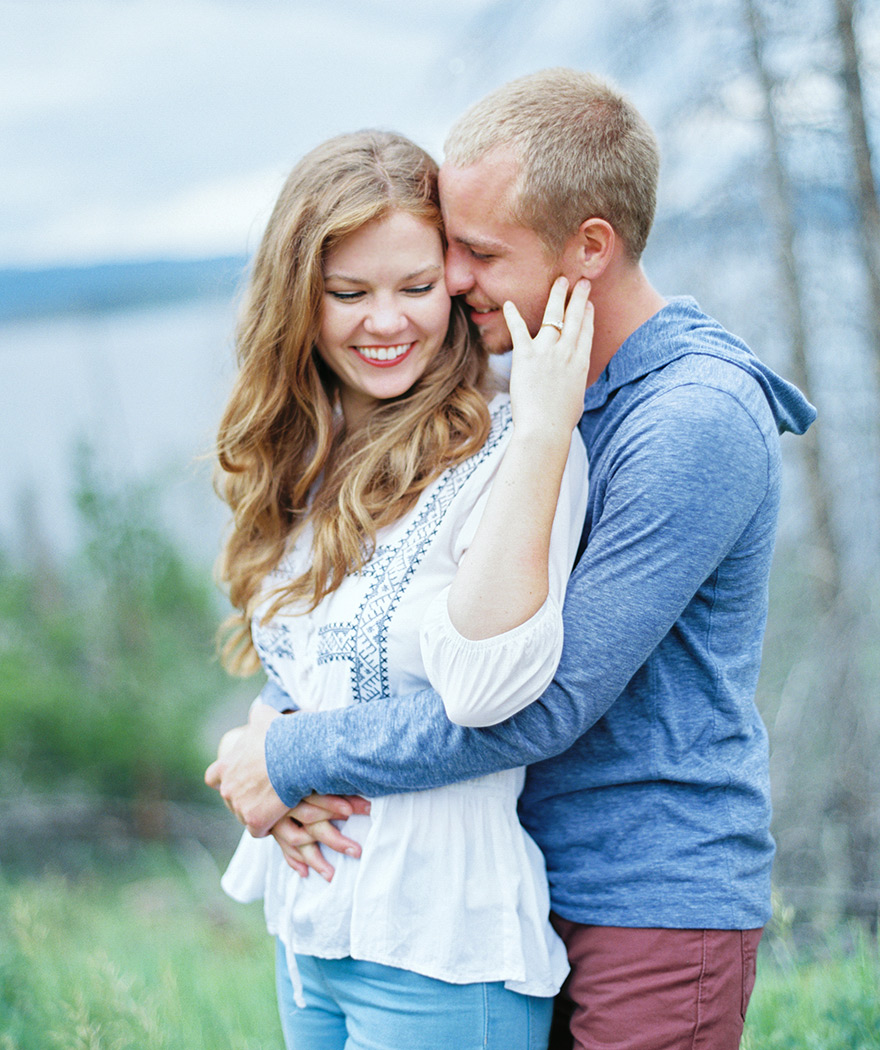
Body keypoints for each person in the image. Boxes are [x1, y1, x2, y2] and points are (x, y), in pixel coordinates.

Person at [207, 70, 817, 1050]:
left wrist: (291, 757)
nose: (449, 283)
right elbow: (398, 609)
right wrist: (280, 722)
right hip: (521, 879)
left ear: (588, 247)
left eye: (476, 254)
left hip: (643, 899)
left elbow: (540, 702)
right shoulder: (531, 384)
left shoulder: (688, 420)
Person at [208, 128, 595, 1050]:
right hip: (307, 934)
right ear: (300, 300)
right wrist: (257, 744)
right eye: (349, 293)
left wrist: (545, 429)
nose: (387, 322)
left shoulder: (514, 449)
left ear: (455, 286)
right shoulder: (307, 457)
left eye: (416, 288)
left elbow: (489, 688)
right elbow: (304, 677)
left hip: (440, 946)